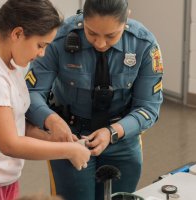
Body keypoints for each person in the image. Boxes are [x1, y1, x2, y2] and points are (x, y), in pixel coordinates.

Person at [0, 0, 91, 199]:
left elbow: (15, 124)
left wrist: (50, 137)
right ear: (18, 34)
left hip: (3, 177)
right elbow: (9, 144)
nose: (42, 53)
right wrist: (68, 151)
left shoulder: (8, 62)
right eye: (40, 45)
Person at [25, 0, 164, 200]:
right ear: (83, 18)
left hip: (121, 139)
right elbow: (32, 93)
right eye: (92, 33)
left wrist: (112, 133)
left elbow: (149, 108)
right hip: (70, 138)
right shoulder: (59, 37)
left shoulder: (144, 44)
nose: (100, 44)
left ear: (126, 20)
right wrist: (52, 121)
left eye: (111, 36)